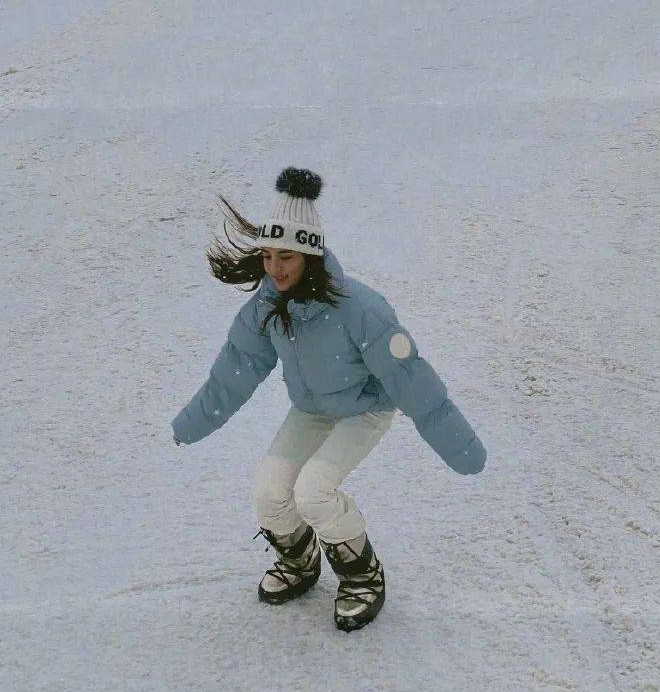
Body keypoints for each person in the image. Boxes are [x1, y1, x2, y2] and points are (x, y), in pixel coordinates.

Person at [171, 168, 486, 632]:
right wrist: (189, 424)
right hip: (312, 409)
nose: (275, 268)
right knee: (268, 492)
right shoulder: (267, 306)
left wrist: (462, 449)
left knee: (314, 492)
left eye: (288, 257)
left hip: (364, 408)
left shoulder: (360, 308)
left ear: (310, 256)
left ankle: (362, 574)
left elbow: (415, 382)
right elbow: (233, 373)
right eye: (269, 256)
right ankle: (299, 561)